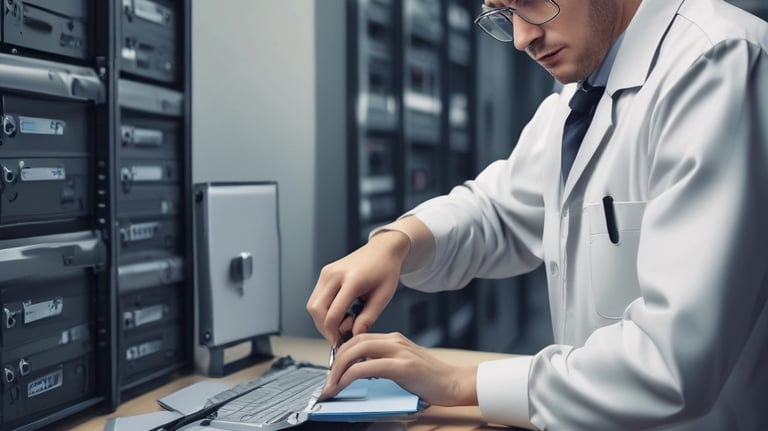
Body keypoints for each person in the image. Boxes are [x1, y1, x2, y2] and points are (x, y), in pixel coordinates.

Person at [307, 0, 768, 429]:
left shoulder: (717, 62)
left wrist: (459, 382)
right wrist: (397, 243)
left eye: (530, 0)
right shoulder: (577, 96)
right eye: (502, 11)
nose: (523, 37)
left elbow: (673, 362)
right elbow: (500, 211)